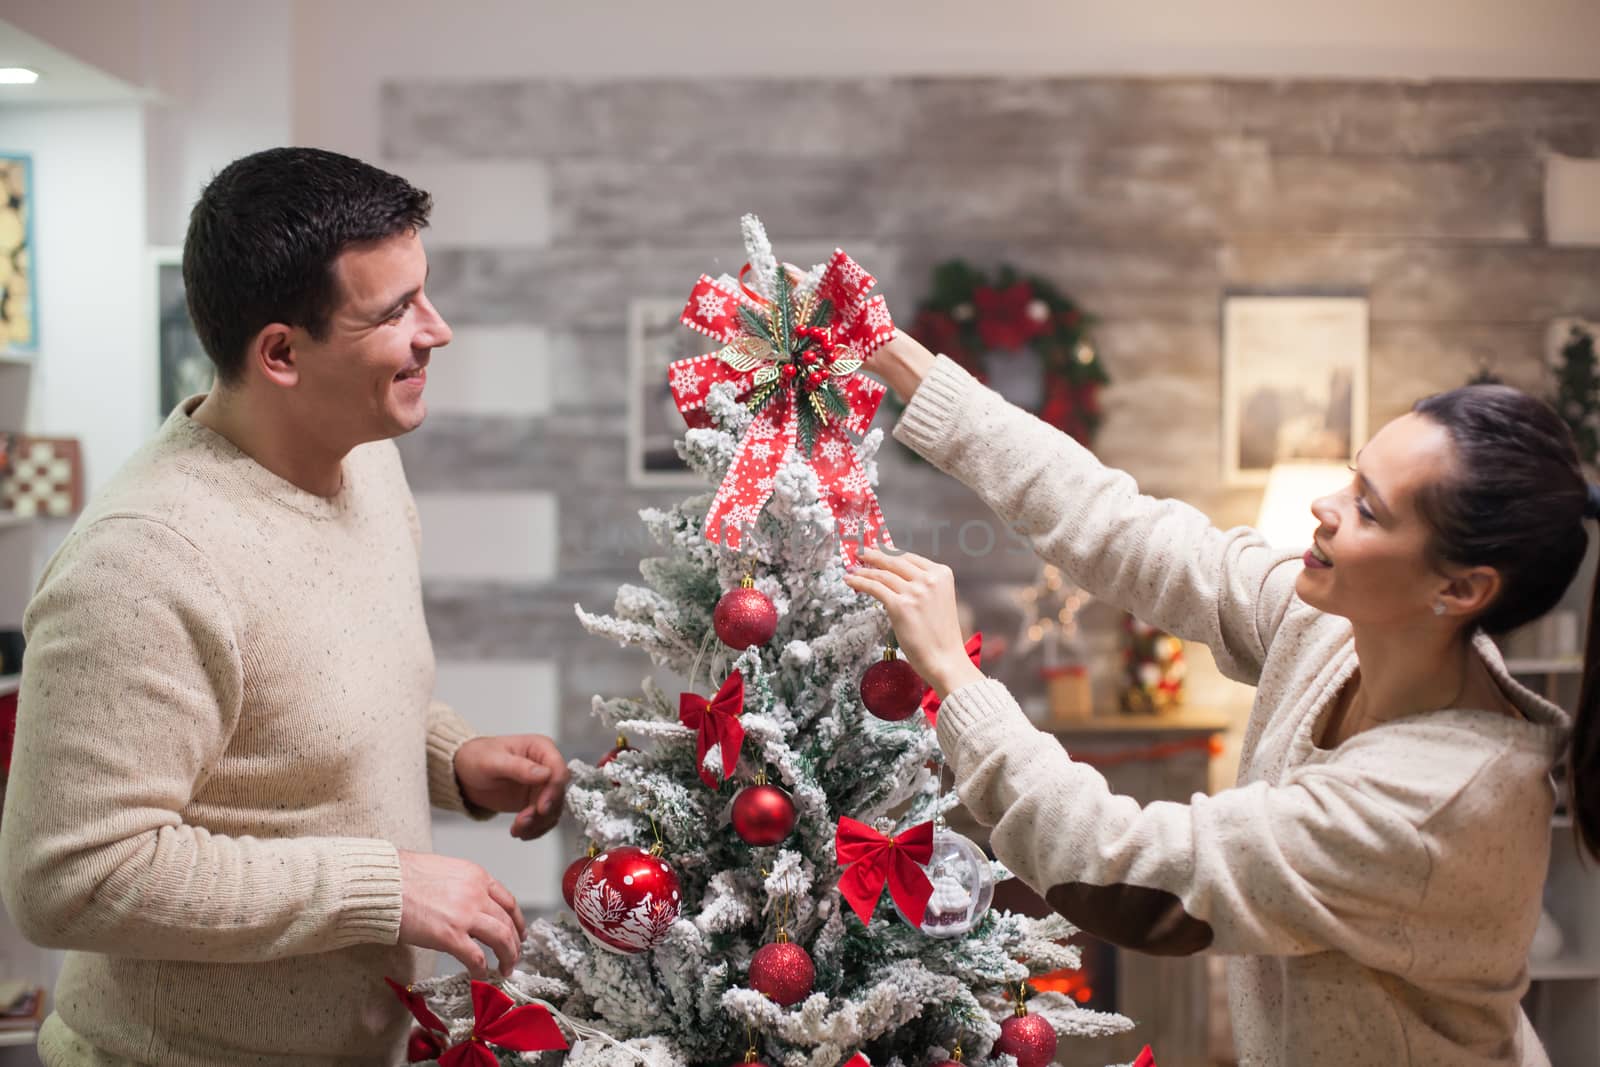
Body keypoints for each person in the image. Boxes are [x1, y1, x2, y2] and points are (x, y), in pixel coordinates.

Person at [846, 330, 1595, 1066]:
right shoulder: (1336, 627)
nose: (1326, 507)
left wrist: (955, 674)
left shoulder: (1433, 806)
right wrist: (905, 362)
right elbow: (1128, 532)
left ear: (1460, 588)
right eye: (1349, 475)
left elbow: (1132, 876)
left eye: (1369, 509)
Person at [0, 148, 570, 1067]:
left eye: (423, 292)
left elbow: (296, 705)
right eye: (396, 311)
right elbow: (69, 877)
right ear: (280, 353)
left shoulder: (365, 459)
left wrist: (448, 759)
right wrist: (383, 888)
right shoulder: (142, 562)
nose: (439, 329)